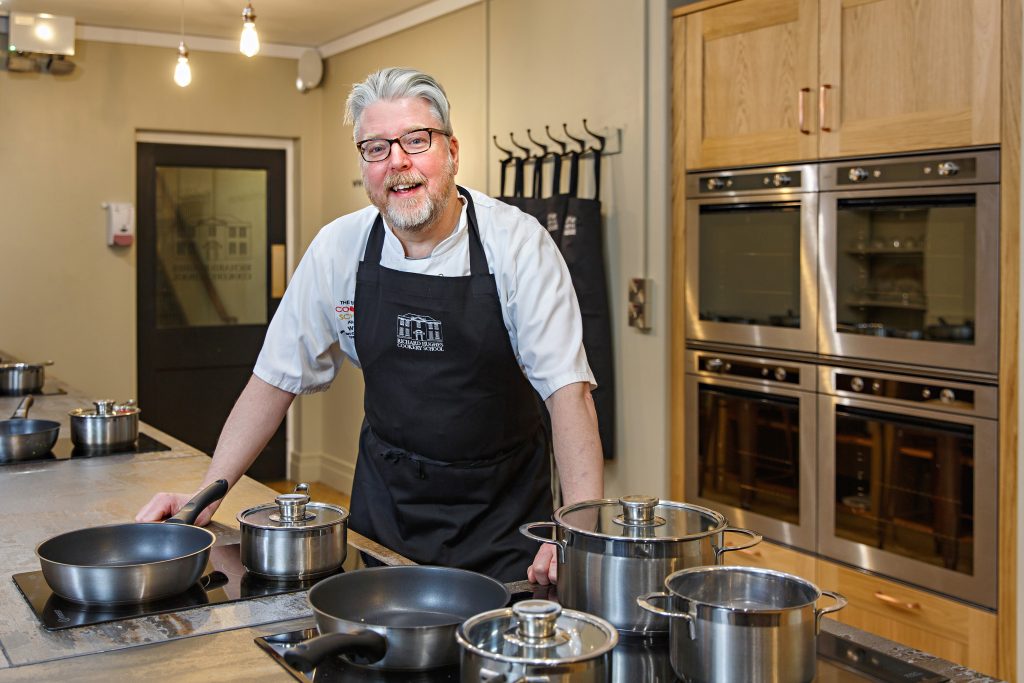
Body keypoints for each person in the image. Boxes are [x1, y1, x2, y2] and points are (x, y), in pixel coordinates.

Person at [136, 66, 603, 584]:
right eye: (376, 148)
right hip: (385, 511)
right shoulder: (340, 248)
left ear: (452, 151)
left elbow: (568, 393)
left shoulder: (517, 245)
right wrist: (206, 494)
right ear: (364, 165)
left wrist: (577, 533)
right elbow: (272, 380)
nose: (397, 162)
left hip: (503, 519)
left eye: (416, 140)